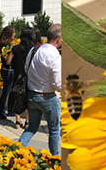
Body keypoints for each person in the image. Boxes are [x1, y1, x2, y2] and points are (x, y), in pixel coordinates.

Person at [18, 24, 62, 155]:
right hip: (47, 97)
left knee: (32, 127)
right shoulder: (54, 55)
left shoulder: (34, 50)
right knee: (54, 130)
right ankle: (55, 158)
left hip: (32, 95)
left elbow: (26, 69)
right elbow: (58, 82)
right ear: (58, 40)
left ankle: (17, 150)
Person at [9, 27, 36, 128]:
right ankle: (27, 121)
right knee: (28, 98)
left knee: (18, 96)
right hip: (30, 76)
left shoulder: (15, 48)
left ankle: (17, 120)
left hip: (18, 75)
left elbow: (8, 62)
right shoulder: (33, 49)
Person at [0, 25, 16, 120]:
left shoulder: (4, 44)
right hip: (8, 70)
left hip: (5, 69)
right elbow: (8, 59)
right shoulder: (6, 46)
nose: (15, 34)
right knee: (6, 92)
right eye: (13, 32)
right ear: (9, 34)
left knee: (8, 91)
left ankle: (8, 110)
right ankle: (1, 112)